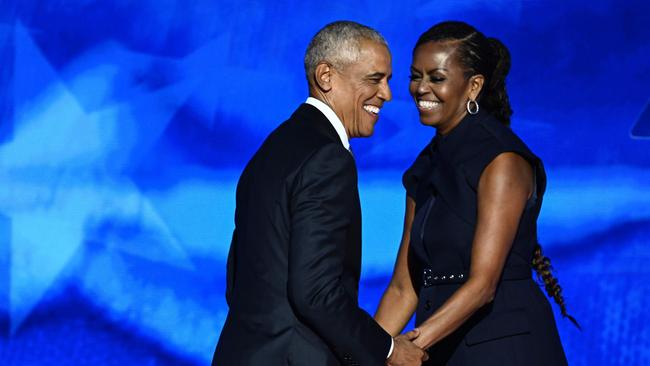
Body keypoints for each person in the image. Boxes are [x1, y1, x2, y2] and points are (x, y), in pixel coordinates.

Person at [212, 21, 427, 366]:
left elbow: (237, 278)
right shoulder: (328, 158)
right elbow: (315, 292)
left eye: (388, 80)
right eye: (375, 79)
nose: (387, 94)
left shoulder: (272, 149)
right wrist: (387, 349)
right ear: (326, 76)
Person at [374, 21, 578, 365]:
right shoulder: (424, 167)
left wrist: (408, 346)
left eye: (436, 78)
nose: (421, 88)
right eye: (415, 76)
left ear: (474, 86)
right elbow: (402, 287)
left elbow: (483, 285)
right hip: (442, 345)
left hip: (504, 348)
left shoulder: (502, 159)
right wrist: (365, 354)